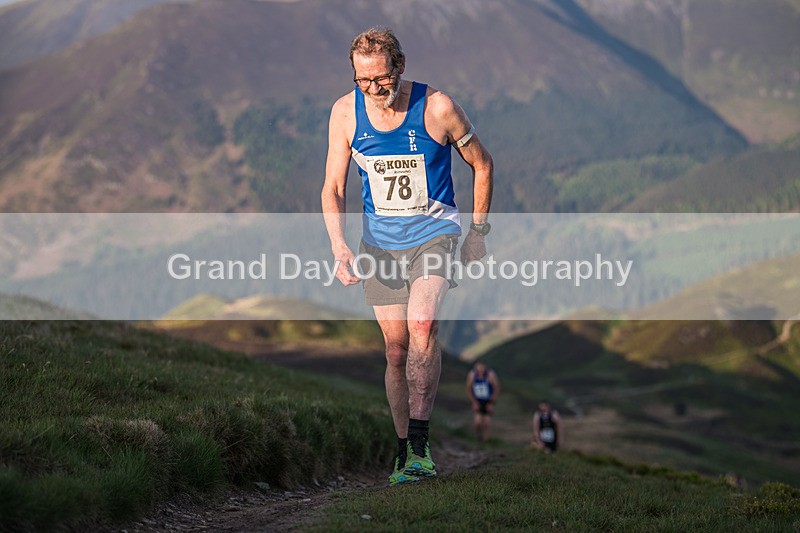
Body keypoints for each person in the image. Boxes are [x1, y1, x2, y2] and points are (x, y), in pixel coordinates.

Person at [321, 27, 494, 485]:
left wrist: (477, 232)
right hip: (379, 243)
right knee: (396, 351)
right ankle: (403, 451)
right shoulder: (344, 113)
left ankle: (420, 446)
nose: (373, 89)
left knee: (423, 325)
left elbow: (483, 162)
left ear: (399, 67)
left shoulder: (437, 107)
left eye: (381, 78)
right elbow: (333, 188)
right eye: (363, 80)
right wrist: (339, 246)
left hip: (434, 234)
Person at [466, 361, 500, 442]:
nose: (480, 370)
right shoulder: (472, 375)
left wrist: (491, 402)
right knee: (477, 422)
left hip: (488, 401)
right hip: (478, 401)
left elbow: (497, 388)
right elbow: (468, 388)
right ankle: (478, 437)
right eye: (478, 367)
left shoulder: (490, 374)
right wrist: (474, 401)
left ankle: (486, 441)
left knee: (486, 423)